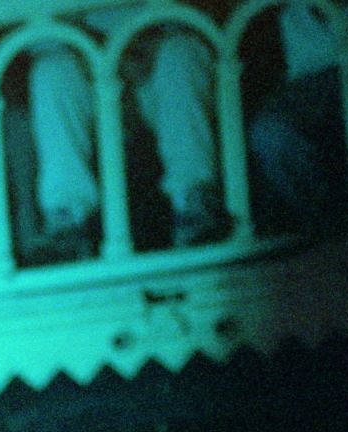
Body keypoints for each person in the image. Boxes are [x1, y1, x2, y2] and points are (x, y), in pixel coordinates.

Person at [26, 6, 230, 262]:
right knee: (52, 71)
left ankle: (196, 203)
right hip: (90, 73)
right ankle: (67, 218)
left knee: (181, 54)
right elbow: (40, 25)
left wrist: (143, 46)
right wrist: (103, 57)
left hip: (157, 61)